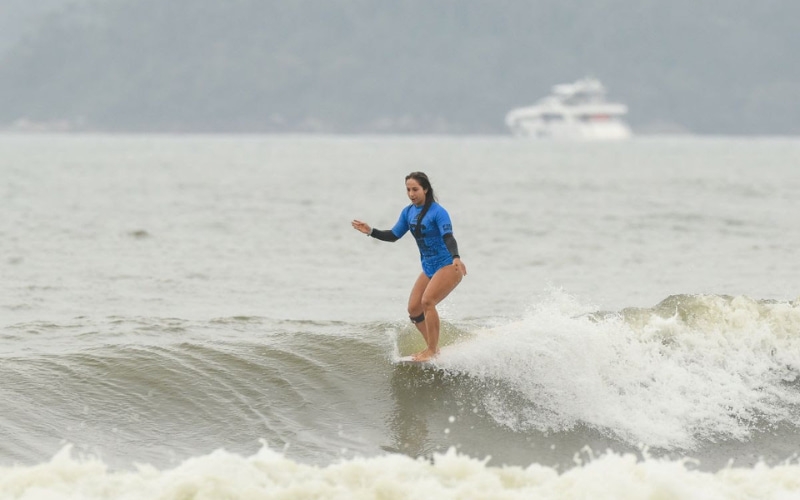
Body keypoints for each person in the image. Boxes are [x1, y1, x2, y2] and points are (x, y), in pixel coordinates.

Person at [352, 172, 467, 362]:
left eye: (415, 189)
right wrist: (371, 231)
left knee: (427, 301)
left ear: (425, 189)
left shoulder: (438, 212)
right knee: (414, 310)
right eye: (408, 190)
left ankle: (431, 349)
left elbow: (448, 237)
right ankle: (433, 348)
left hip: (449, 265)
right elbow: (394, 235)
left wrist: (456, 257)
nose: (411, 193)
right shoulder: (408, 212)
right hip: (429, 267)